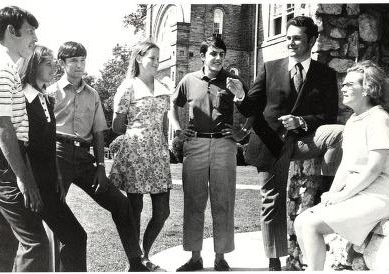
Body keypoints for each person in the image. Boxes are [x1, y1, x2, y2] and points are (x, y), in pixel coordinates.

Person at [228, 16, 344, 271]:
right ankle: (274, 259)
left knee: (339, 133)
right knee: (272, 198)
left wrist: (301, 121)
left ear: (312, 41)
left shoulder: (325, 75)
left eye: (297, 38)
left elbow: (329, 116)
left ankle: (330, 192)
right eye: (288, 38)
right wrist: (239, 95)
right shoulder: (269, 68)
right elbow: (251, 107)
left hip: (304, 140)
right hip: (271, 141)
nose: (290, 43)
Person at [46, 41, 148, 272]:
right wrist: (52, 171)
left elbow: (98, 132)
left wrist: (101, 166)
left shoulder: (92, 94)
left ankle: (135, 263)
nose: (79, 65)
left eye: (82, 60)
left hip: (84, 158)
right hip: (57, 155)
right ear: (62, 63)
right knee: (58, 218)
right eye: (73, 61)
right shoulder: (50, 93)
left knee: (121, 205)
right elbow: (43, 133)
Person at [294, 60, 389, 271]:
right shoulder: (353, 121)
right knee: (301, 221)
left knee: (311, 224)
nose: (343, 87)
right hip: (357, 193)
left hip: (378, 195)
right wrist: (331, 195)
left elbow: (374, 169)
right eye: (344, 83)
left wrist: (343, 196)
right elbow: (345, 166)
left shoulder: (379, 119)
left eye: (350, 84)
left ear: (368, 89)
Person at [0, 6, 49, 271]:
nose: (35, 38)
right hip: (3, 159)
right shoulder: (2, 68)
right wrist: (24, 179)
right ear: (10, 31)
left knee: (1, 240)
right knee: (35, 242)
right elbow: (2, 126)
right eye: (30, 31)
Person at [169, 36, 249, 272]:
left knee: (223, 202)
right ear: (203, 56)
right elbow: (173, 104)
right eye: (213, 53)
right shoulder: (188, 80)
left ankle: (220, 257)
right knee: (194, 201)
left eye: (222, 54)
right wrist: (178, 129)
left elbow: (251, 107)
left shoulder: (232, 81)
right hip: (195, 145)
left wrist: (241, 131)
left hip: (224, 146)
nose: (218, 58)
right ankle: (195, 258)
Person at [21, 45, 88, 271]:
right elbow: (22, 147)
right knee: (36, 247)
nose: (54, 67)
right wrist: (29, 184)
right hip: (32, 188)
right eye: (47, 63)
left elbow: (49, 143)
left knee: (76, 237)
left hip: (50, 184)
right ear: (33, 65)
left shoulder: (47, 99)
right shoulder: (21, 98)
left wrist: (58, 175)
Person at [110, 41, 172, 271]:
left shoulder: (164, 86)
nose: (156, 62)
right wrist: (136, 131)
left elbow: (165, 123)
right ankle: (136, 262)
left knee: (163, 211)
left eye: (158, 58)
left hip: (157, 153)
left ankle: (145, 253)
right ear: (139, 58)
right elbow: (116, 125)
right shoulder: (129, 86)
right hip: (135, 151)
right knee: (135, 209)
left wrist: (162, 144)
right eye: (152, 58)